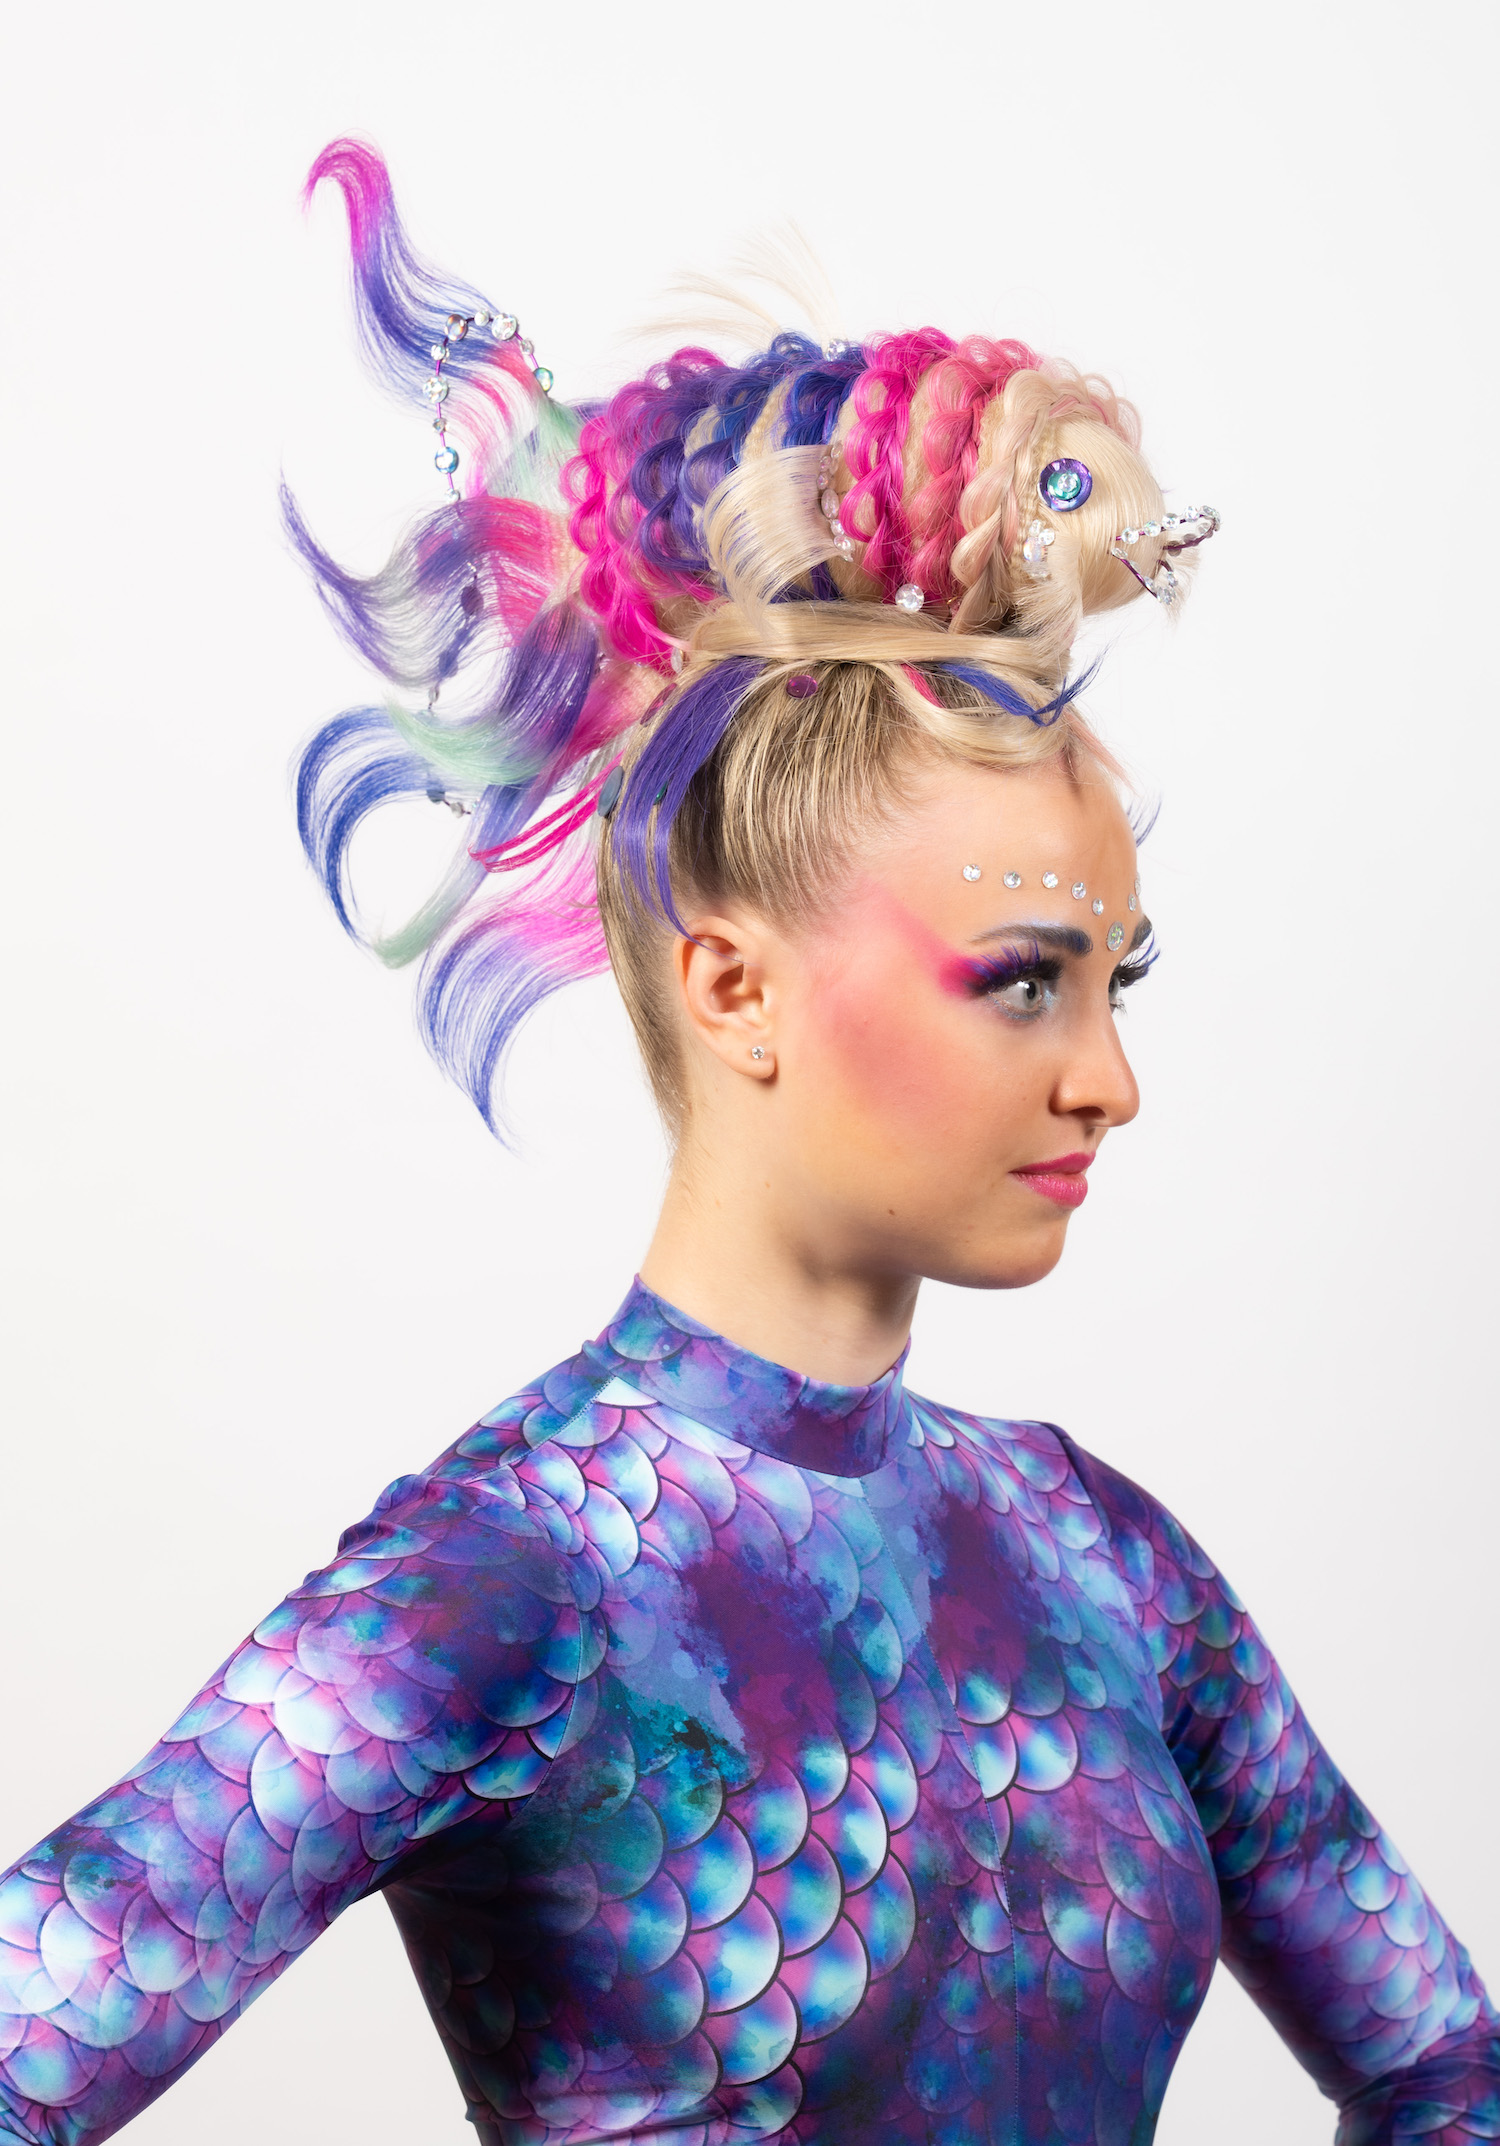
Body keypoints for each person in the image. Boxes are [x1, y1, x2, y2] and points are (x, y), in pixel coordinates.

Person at [0, 137, 1492, 2146]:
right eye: (1022, 981)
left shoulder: (1106, 1559)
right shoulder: (513, 1573)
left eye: (1115, 983)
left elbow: (1444, 2057)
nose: (1108, 1079)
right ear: (733, 986)